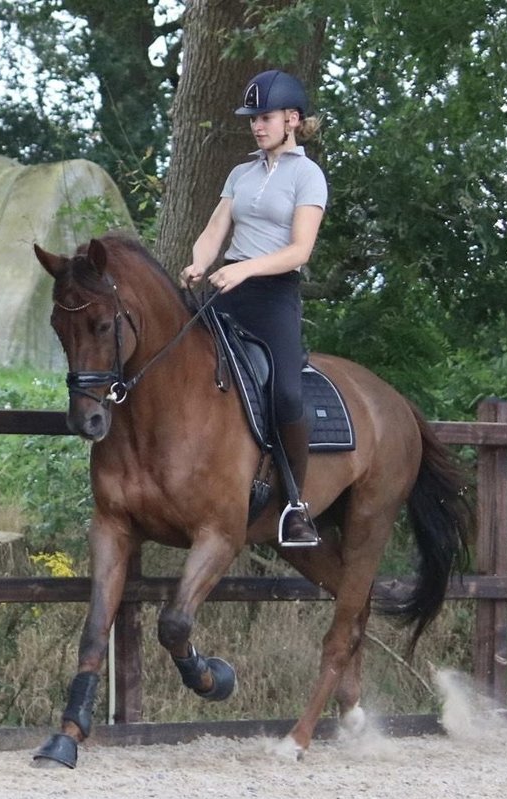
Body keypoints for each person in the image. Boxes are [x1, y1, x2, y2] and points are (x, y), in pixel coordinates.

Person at [179, 69, 327, 548]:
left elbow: (300, 250)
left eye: (264, 117)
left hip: (273, 294)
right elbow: (214, 229)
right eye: (252, 119)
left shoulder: (308, 176)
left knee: (285, 393)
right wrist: (200, 263)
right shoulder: (240, 173)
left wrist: (245, 269)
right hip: (227, 288)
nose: (256, 126)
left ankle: (296, 504)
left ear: (292, 119)